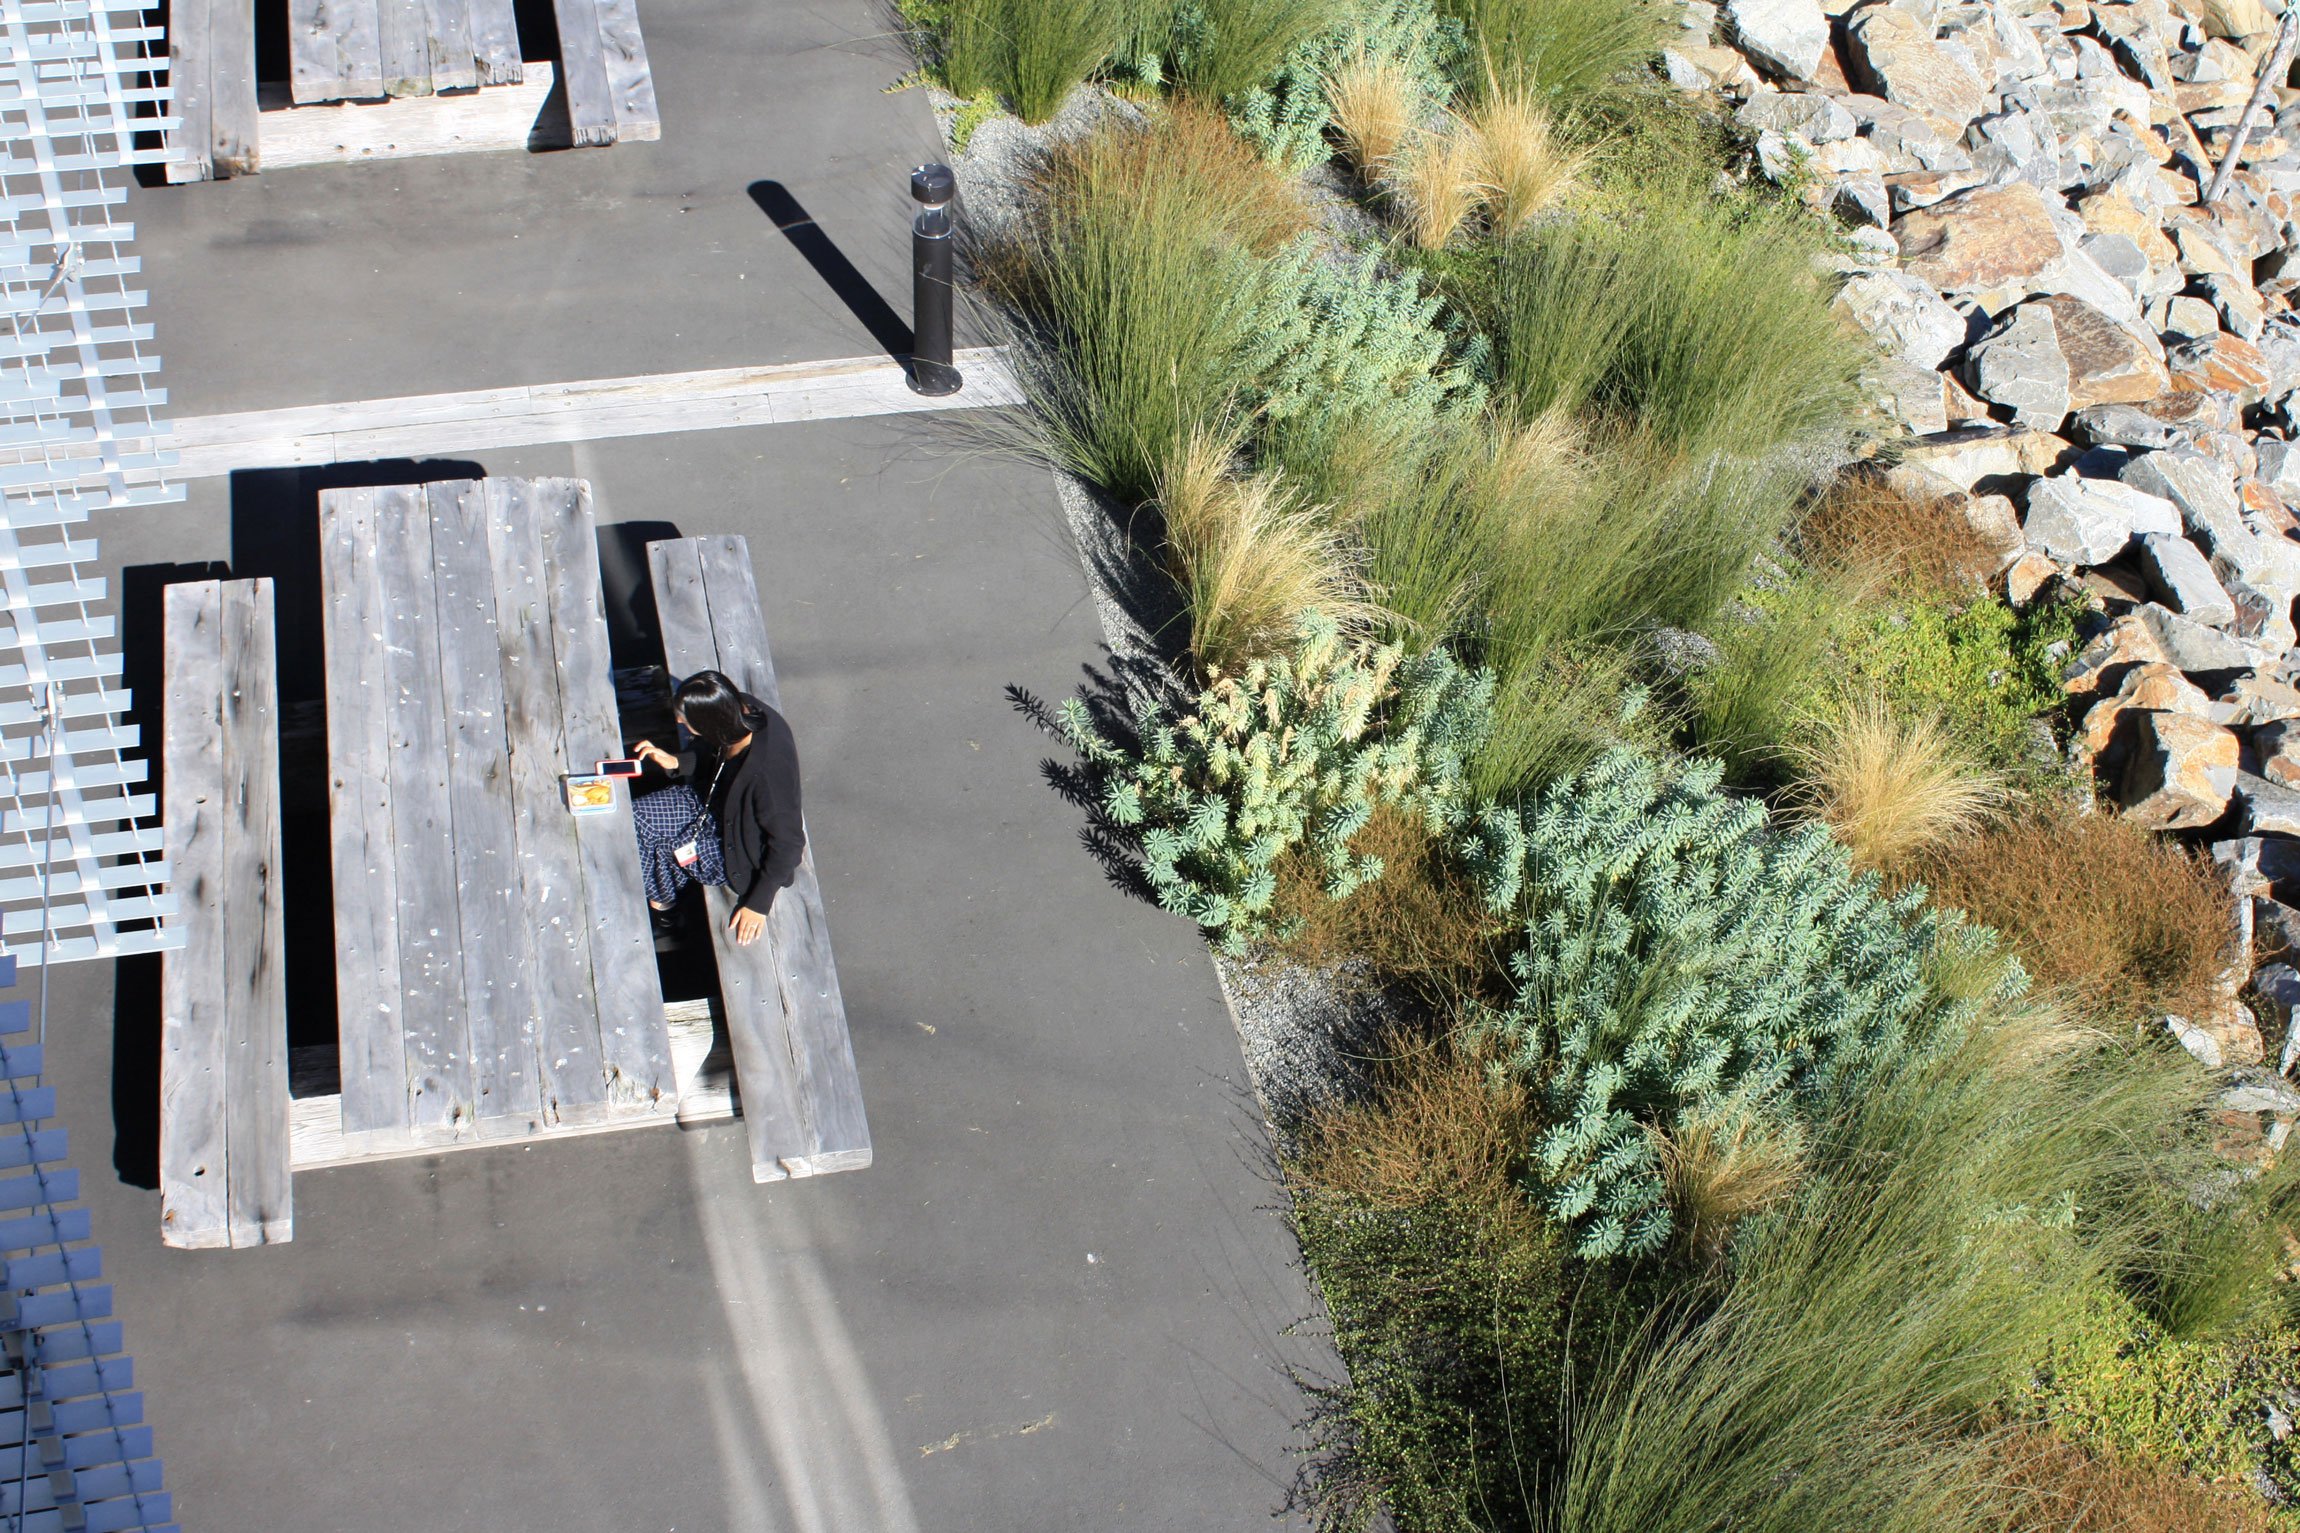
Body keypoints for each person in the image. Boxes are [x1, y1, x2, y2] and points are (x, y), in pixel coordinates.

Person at [629, 670, 805, 946]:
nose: (678, 722)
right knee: (636, 817)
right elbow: (707, 750)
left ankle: (666, 912)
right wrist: (677, 762)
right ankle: (666, 896)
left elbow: (789, 844)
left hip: (735, 847)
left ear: (713, 723)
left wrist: (758, 905)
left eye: (687, 721)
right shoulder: (738, 710)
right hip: (710, 799)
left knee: (665, 848)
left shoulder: (766, 775)